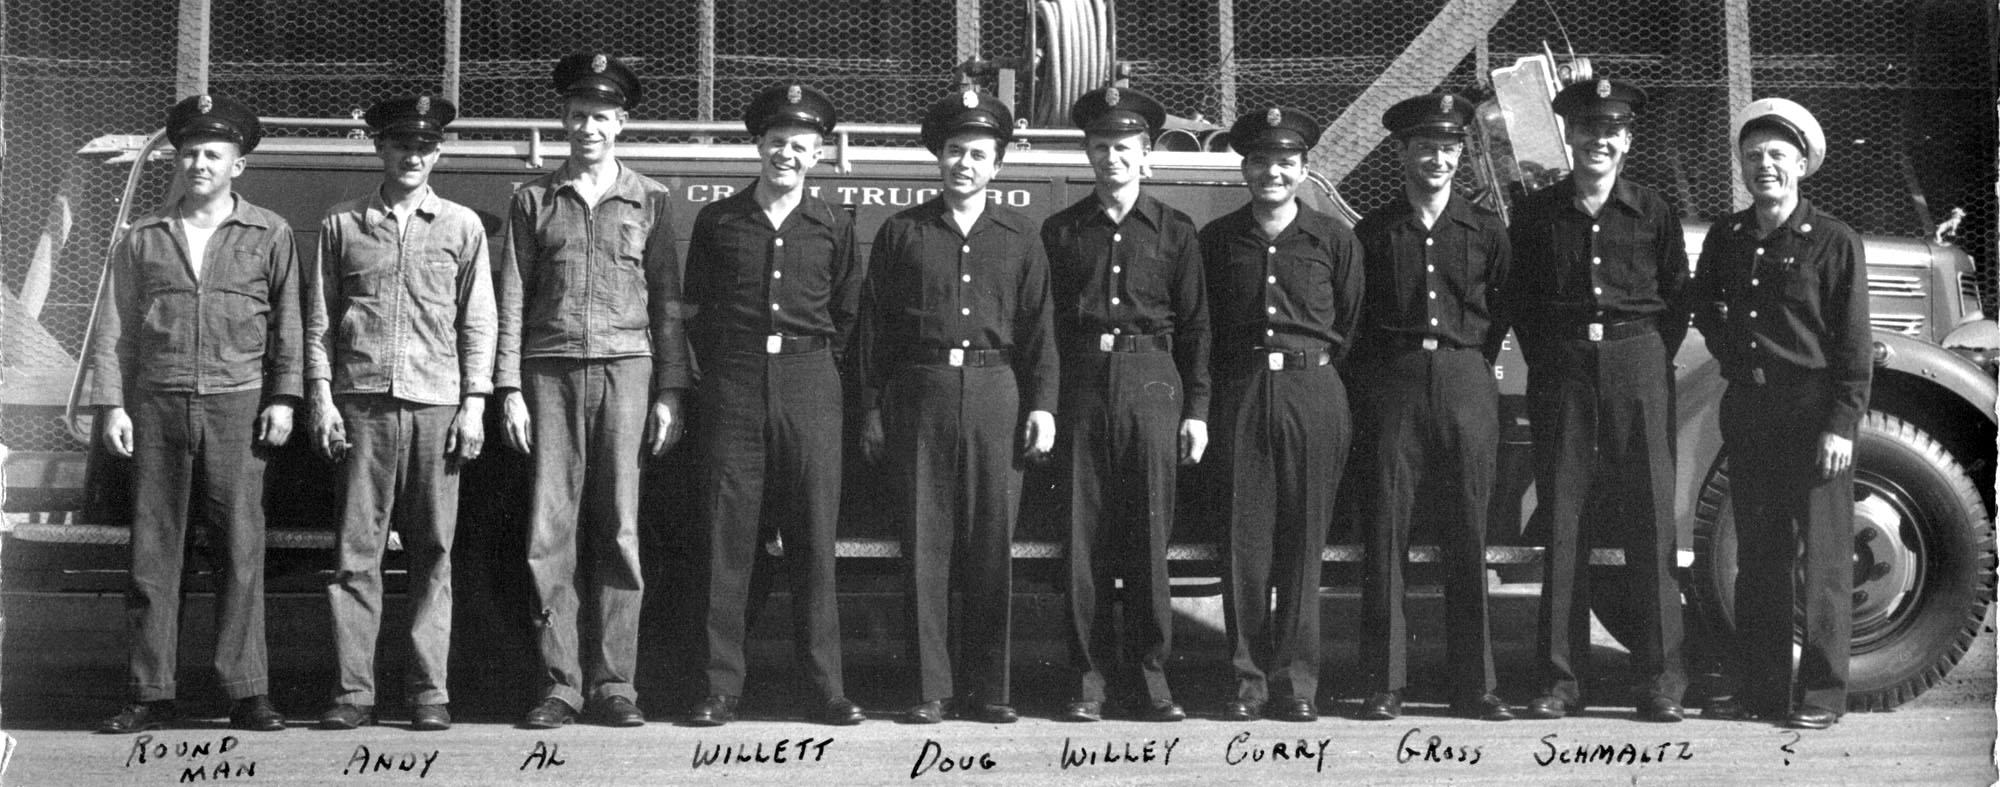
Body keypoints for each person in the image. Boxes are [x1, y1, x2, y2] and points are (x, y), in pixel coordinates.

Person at [85, 93, 299, 733]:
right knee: (154, 552)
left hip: (239, 405)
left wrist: (284, 398)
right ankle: (150, 692)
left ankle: (247, 692)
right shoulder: (143, 238)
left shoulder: (269, 233)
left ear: (238, 165)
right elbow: (114, 331)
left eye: (213, 154)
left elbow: (289, 324)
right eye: (189, 154)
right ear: (177, 162)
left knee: (240, 549)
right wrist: (112, 406)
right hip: (159, 404)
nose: (199, 164)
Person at [495, 52, 691, 729]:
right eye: (578, 116)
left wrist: (671, 390)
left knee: (620, 529)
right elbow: (512, 297)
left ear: (621, 124)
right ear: (563, 120)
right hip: (548, 371)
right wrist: (508, 387)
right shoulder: (533, 200)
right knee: (549, 532)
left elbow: (667, 302)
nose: (589, 128)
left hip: (627, 370)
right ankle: (560, 685)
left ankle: (614, 684)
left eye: (601, 117)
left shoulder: (651, 199)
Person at [855, 88, 1058, 725]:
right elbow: (874, 330)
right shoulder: (902, 232)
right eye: (953, 151)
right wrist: (871, 409)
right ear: (937, 157)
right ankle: (929, 688)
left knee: (991, 544)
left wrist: (1043, 406)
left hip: (996, 393)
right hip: (921, 394)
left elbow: (1040, 330)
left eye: (977, 154)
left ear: (997, 164)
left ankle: (989, 688)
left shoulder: (1020, 237)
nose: (963, 164)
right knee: (925, 545)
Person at [305, 94, 494, 732]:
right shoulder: (342, 225)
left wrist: (474, 404)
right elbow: (320, 320)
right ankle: (353, 693)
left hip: (437, 405)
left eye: (425, 147)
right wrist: (322, 397)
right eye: (401, 145)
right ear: (379, 149)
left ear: (438, 154)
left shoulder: (461, 227)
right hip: (362, 406)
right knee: (356, 553)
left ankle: (428, 693)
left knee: (433, 552)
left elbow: (478, 322)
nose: (413, 156)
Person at [1505, 78, 1688, 723]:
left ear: (1627, 140)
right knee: (1564, 520)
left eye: (1611, 131)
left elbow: (1677, 298)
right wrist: (1562, 357)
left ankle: (1661, 681)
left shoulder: (1653, 210)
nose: (1599, 141)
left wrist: (1639, 356)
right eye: (1588, 130)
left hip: (1638, 364)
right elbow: (1522, 302)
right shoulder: (1537, 215)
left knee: (1650, 520)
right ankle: (1560, 680)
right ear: (1569, 137)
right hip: (1564, 370)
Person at [683, 84, 864, 727]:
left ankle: (826, 687)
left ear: (818, 155)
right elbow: (697, 310)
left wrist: (813, 368)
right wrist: (729, 368)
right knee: (726, 538)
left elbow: (847, 314)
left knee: (814, 537)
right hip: (734, 382)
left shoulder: (834, 224)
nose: (787, 154)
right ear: (758, 145)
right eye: (777, 142)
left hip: (810, 381)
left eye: (800, 145)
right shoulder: (719, 221)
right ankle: (719, 687)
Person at [1691, 99, 1868, 730]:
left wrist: (1841, 425)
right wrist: (1734, 355)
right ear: (1741, 167)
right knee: (1759, 557)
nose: (1764, 165)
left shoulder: (1834, 241)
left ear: (1801, 164)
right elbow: (1705, 307)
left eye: (1776, 155)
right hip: (1751, 409)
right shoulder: (1728, 237)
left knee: (1823, 561)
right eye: (1753, 156)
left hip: (1812, 414)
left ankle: (1821, 695)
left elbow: (1854, 344)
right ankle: (1761, 691)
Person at [1041, 86, 1210, 723]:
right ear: (1088, 154)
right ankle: (1087, 680)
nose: (1112, 158)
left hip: (1152, 383)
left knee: (1147, 538)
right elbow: (1047, 327)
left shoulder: (1176, 230)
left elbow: (1197, 328)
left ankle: (1151, 681)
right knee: (1081, 542)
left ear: (1146, 156)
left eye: (1124, 147)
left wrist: (1196, 410)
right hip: (1083, 382)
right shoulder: (1062, 230)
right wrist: (1048, 404)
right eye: (1101, 147)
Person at [1352, 93, 1513, 723]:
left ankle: (1476, 685)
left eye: (1448, 149)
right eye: (1426, 148)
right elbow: (1359, 317)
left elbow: (1500, 310)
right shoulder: (1374, 232)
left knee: (1468, 532)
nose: (1438, 159)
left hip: (1464, 377)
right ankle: (1384, 682)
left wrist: (1464, 363)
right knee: (1385, 533)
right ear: (1402, 153)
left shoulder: (1486, 230)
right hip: (1394, 383)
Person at [1199, 106, 1362, 723]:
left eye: (1286, 162)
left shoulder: (1333, 238)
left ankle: (1296, 682)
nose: (1274, 171)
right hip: (1241, 392)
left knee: (1303, 543)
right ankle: (1247, 682)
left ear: (1304, 168)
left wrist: (1311, 373)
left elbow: (1350, 322)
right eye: (1262, 160)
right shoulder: (1217, 240)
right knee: (1244, 545)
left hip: (1312, 391)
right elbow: (1205, 326)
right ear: (1245, 168)